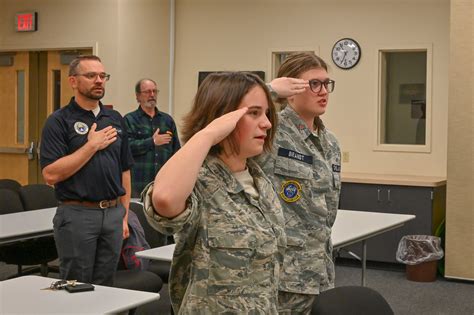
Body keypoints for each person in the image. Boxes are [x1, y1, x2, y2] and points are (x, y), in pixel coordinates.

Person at [141, 72, 287, 314]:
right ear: (222, 117)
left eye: (266, 113)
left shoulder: (260, 181)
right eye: (253, 113)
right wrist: (207, 134)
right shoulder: (198, 180)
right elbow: (164, 199)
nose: (267, 123)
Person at [40, 55, 134, 286]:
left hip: (112, 214)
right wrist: (91, 146)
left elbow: (125, 170)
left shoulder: (114, 118)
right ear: (73, 81)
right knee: (77, 285)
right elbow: (50, 174)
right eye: (91, 76)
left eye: (103, 76)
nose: (99, 81)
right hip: (77, 215)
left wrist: (124, 214)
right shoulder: (59, 121)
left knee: (106, 286)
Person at [259, 52, 341, 314]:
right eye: (313, 84)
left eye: (326, 84)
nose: (323, 91)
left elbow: (327, 210)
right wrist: (269, 91)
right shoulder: (268, 132)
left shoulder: (330, 143)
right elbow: (226, 122)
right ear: (291, 91)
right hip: (283, 275)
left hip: (320, 269)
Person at [124, 79, 181, 198]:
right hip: (138, 185)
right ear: (138, 96)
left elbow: (176, 152)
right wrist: (152, 142)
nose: (152, 95)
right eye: (147, 92)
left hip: (163, 184)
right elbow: (126, 148)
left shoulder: (167, 120)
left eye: (154, 91)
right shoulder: (129, 120)